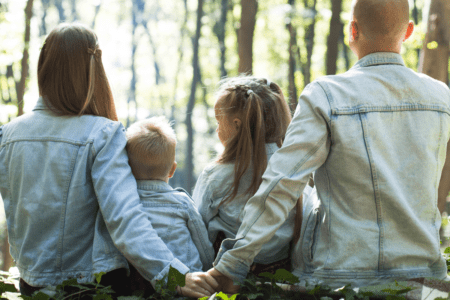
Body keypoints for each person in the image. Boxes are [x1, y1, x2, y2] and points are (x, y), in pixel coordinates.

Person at [208, 0, 450, 292]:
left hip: (338, 277)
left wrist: (233, 264)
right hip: (419, 276)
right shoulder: (441, 98)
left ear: (352, 31)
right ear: (409, 31)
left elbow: (282, 183)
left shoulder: (326, 95)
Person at [0, 23, 218, 298]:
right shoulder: (102, 134)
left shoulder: (7, 134)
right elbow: (125, 218)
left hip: (31, 286)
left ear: (44, 65)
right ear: (92, 69)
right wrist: (174, 275)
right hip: (90, 288)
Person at [193, 76, 314, 275]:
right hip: (280, 276)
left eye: (218, 121)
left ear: (237, 124)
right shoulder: (295, 173)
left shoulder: (216, 175)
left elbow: (198, 229)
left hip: (225, 276)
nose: (217, 129)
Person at [125, 116, 215, 295]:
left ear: (126, 167)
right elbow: (202, 244)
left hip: (141, 288)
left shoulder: (124, 205)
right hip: (188, 284)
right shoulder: (181, 202)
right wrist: (207, 269)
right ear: (173, 170)